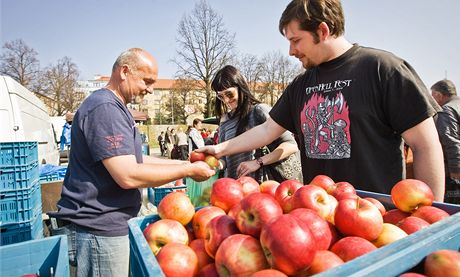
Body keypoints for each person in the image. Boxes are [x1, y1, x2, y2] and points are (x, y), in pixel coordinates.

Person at [197, 0, 445, 201]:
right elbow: (267, 130)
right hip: (319, 218)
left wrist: (430, 218)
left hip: (379, 218)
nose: (291, 51)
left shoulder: (383, 69)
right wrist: (219, 149)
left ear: (323, 31)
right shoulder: (300, 85)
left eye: (296, 40)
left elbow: (425, 146)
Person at [47, 48, 215, 277]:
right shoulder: (105, 108)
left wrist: (182, 162)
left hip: (105, 226)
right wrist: (188, 169)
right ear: (125, 71)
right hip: (98, 229)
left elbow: (137, 160)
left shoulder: (117, 108)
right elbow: (127, 174)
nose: (150, 89)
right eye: (147, 81)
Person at [211, 65, 302, 182]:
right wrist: (214, 165)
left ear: (240, 87)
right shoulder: (225, 120)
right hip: (235, 187)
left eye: (229, 94)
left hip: (262, 186)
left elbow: (291, 145)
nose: (226, 100)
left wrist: (258, 162)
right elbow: (224, 158)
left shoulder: (259, 111)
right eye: (221, 96)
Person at [431, 79, 460, 203]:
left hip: (455, 169)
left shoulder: (446, 110)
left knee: (453, 204)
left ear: (439, 95)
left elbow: (451, 140)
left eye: (432, 96)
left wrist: (455, 169)